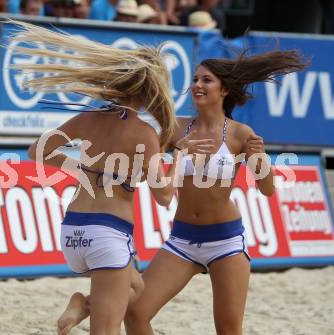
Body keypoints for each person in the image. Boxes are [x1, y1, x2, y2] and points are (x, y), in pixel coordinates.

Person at [8, 21, 209, 335]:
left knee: (137, 287)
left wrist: (82, 168)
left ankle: (83, 304)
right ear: (149, 92)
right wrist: (179, 155)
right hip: (107, 235)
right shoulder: (144, 135)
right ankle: (85, 305)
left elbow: (37, 150)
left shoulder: (87, 119)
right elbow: (165, 196)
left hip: (72, 231)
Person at [125, 50, 308, 335]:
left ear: (224, 89)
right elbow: (147, 161)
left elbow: (268, 189)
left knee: (228, 329)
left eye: (206, 80)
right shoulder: (176, 127)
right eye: (195, 79)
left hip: (226, 242)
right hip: (182, 239)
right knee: (135, 313)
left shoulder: (240, 134)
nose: (197, 84)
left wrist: (260, 158)